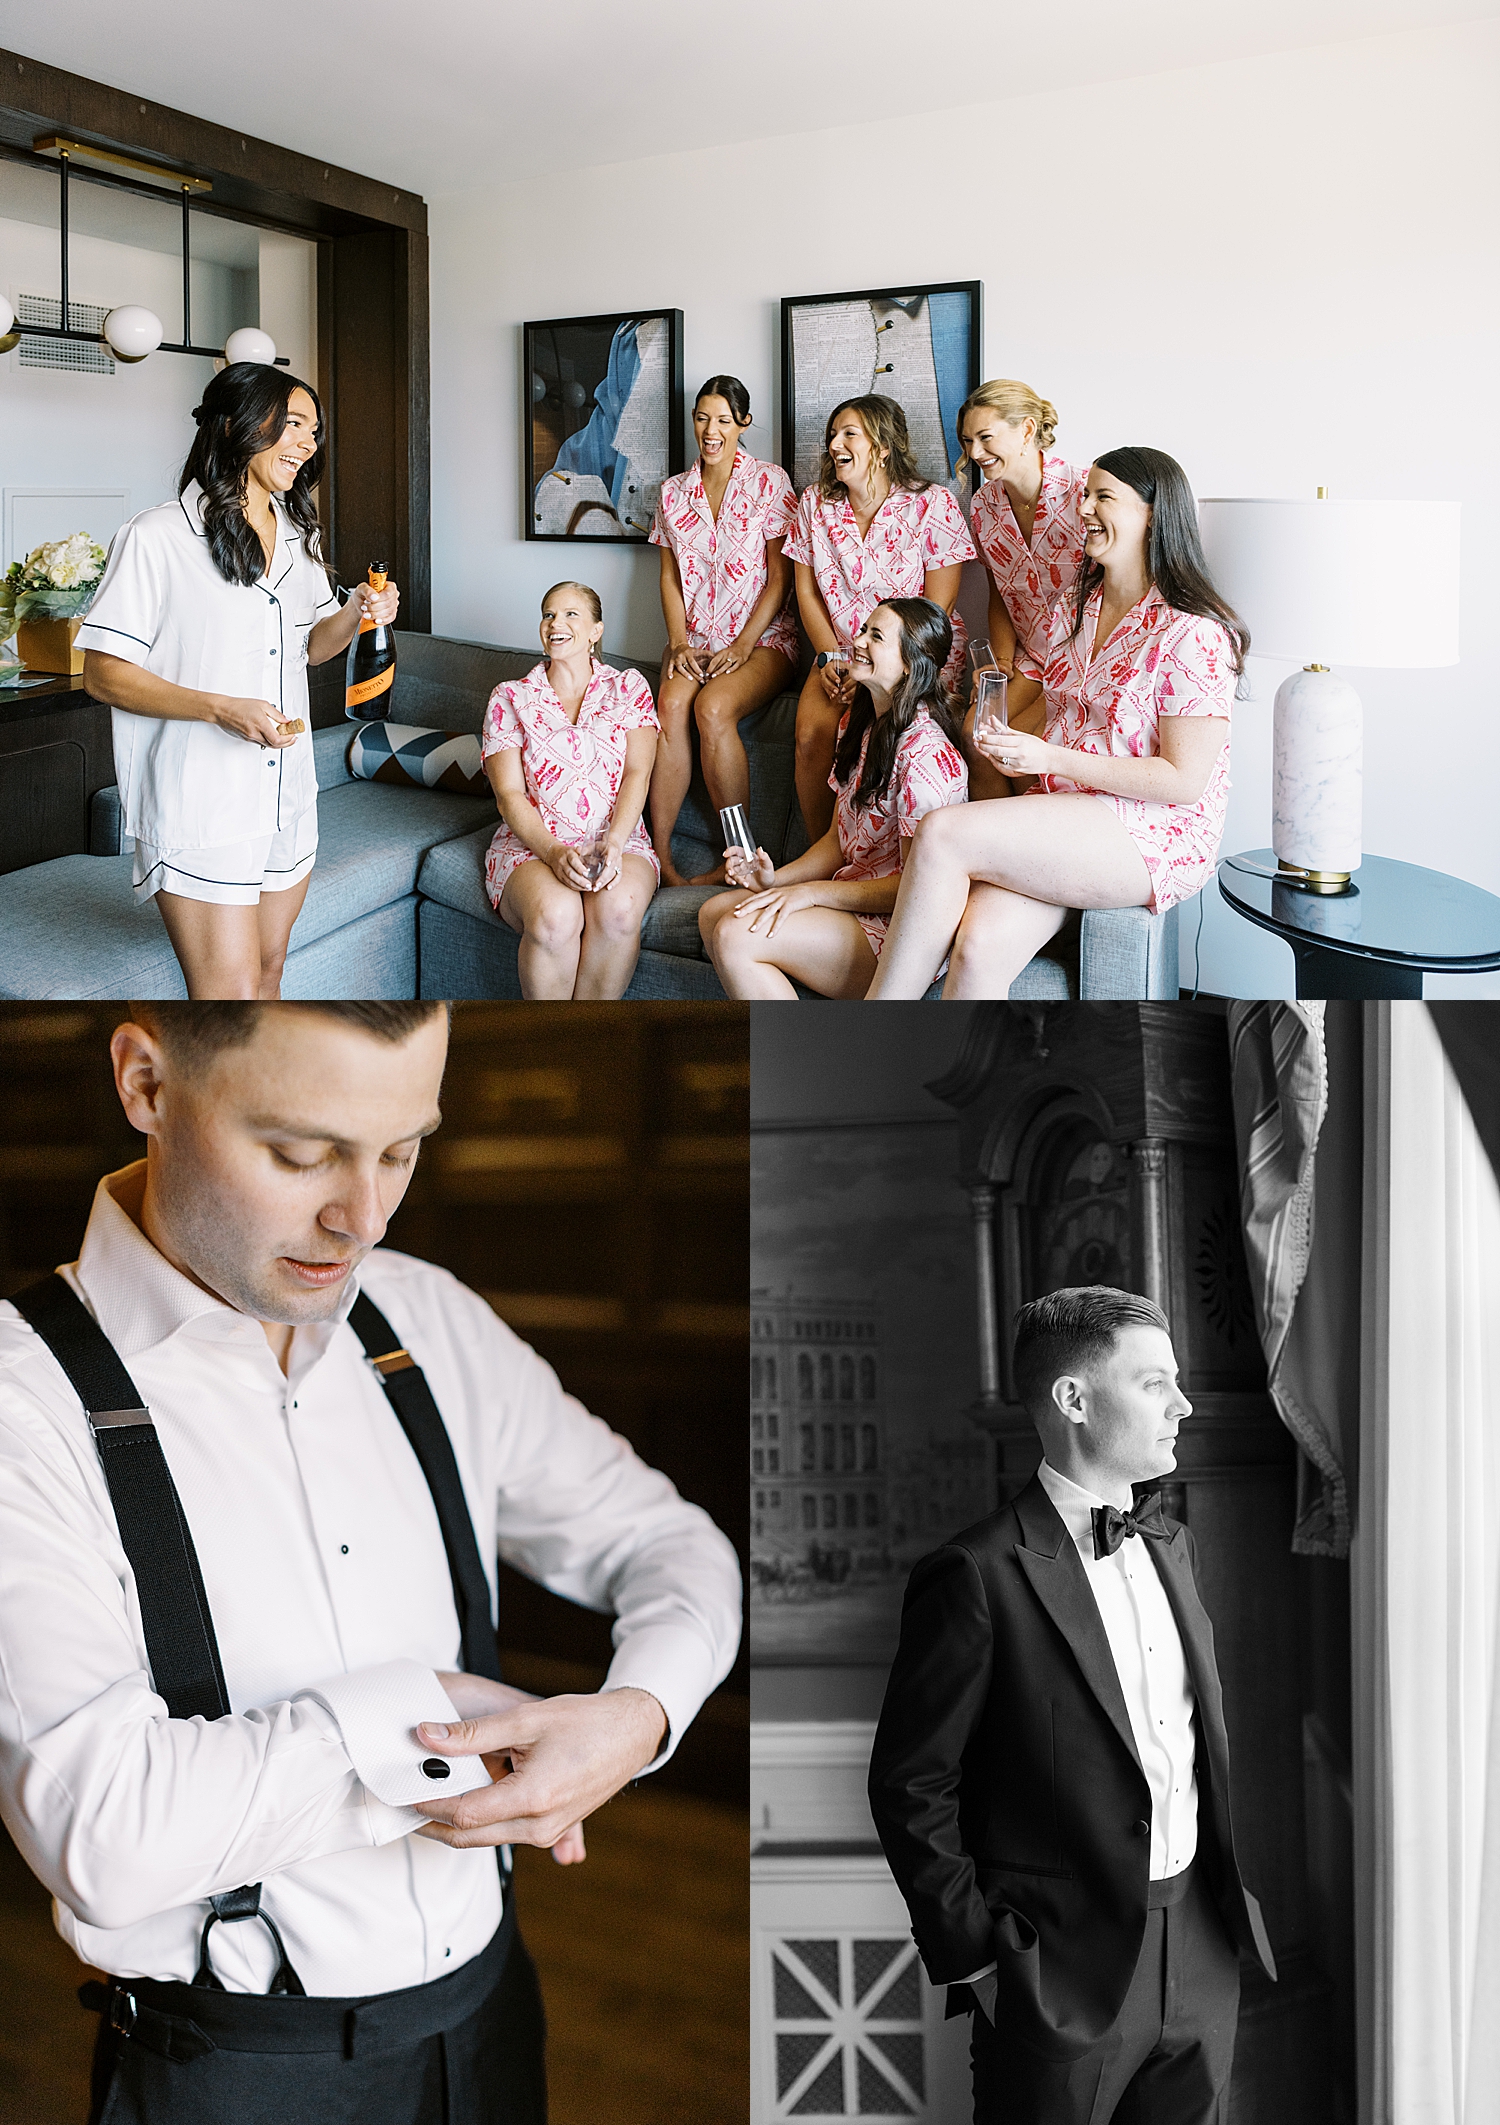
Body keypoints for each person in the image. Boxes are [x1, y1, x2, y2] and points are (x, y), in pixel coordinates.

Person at [0, 1001, 741, 2125]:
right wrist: (412, 1716)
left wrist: (639, 1715)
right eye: (302, 1154)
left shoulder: (427, 1320)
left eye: (401, 1151)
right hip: (237, 2073)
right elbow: (103, 1833)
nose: (363, 1218)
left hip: (493, 2016)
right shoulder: (23, 1401)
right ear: (145, 1083)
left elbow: (671, 1541)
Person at [868, 1285, 1276, 2124]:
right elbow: (911, 1784)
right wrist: (979, 1960)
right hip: (1055, 1973)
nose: (1183, 1404)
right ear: (1074, 1399)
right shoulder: (975, 1574)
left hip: (1202, 1946)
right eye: (1155, 1382)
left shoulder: (1175, 1544)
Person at [866, 447, 1248, 999]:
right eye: (1085, 494)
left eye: (1103, 497)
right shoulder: (1075, 608)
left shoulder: (1193, 632)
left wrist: (1049, 757)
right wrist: (1007, 743)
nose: (1083, 508)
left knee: (941, 831)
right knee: (976, 949)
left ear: (1152, 515)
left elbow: (1183, 781)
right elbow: (1060, 707)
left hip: (1151, 830)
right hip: (1066, 812)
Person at [76, 363, 398, 1002]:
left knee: (270, 969)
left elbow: (312, 648)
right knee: (228, 996)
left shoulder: (298, 535)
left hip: (288, 793)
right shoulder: (157, 537)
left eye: (313, 430)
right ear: (235, 425)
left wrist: (357, 611)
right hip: (201, 799)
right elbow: (103, 674)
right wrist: (220, 709)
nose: (307, 443)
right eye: (293, 424)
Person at [698, 599, 966, 999]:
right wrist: (773, 880)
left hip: (897, 934)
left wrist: (811, 892)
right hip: (852, 904)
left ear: (911, 664)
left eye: (876, 636)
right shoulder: (862, 726)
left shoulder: (927, 758)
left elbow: (915, 890)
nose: (857, 641)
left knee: (734, 935)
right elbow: (838, 841)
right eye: (864, 630)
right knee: (712, 914)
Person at [782, 394, 975, 842]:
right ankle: (824, 854)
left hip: (914, 657)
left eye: (849, 434)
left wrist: (879, 668)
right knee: (810, 736)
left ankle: (892, 860)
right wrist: (831, 657)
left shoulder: (933, 504)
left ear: (883, 447)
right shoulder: (814, 504)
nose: (835, 444)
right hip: (838, 653)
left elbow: (939, 607)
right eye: (833, 435)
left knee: (889, 740)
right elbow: (806, 592)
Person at [647, 375, 799, 884]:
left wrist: (743, 644)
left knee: (711, 709)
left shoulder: (770, 483)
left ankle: (740, 853)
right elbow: (669, 578)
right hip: (694, 639)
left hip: (764, 640)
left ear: (743, 423)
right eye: (701, 418)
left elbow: (780, 579)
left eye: (723, 420)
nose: (710, 431)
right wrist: (677, 642)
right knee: (670, 706)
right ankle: (660, 856)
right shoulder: (672, 493)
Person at [481, 581, 660, 999]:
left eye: (570, 614)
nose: (555, 623)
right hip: (532, 846)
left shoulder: (628, 688)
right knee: (555, 918)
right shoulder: (510, 697)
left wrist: (614, 843)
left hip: (621, 839)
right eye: (548, 614)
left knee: (618, 912)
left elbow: (638, 774)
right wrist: (552, 852)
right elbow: (509, 795)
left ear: (597, 631)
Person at [962, 379, 1089, 674]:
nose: (975, 453)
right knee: (983, 707)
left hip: (1087, 656)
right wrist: (1003, 662)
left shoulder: (1085, 490)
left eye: (985, 437)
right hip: (1031, 654)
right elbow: (999, 593)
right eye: (968, 441)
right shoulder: (982, 504)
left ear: (1027, 430)